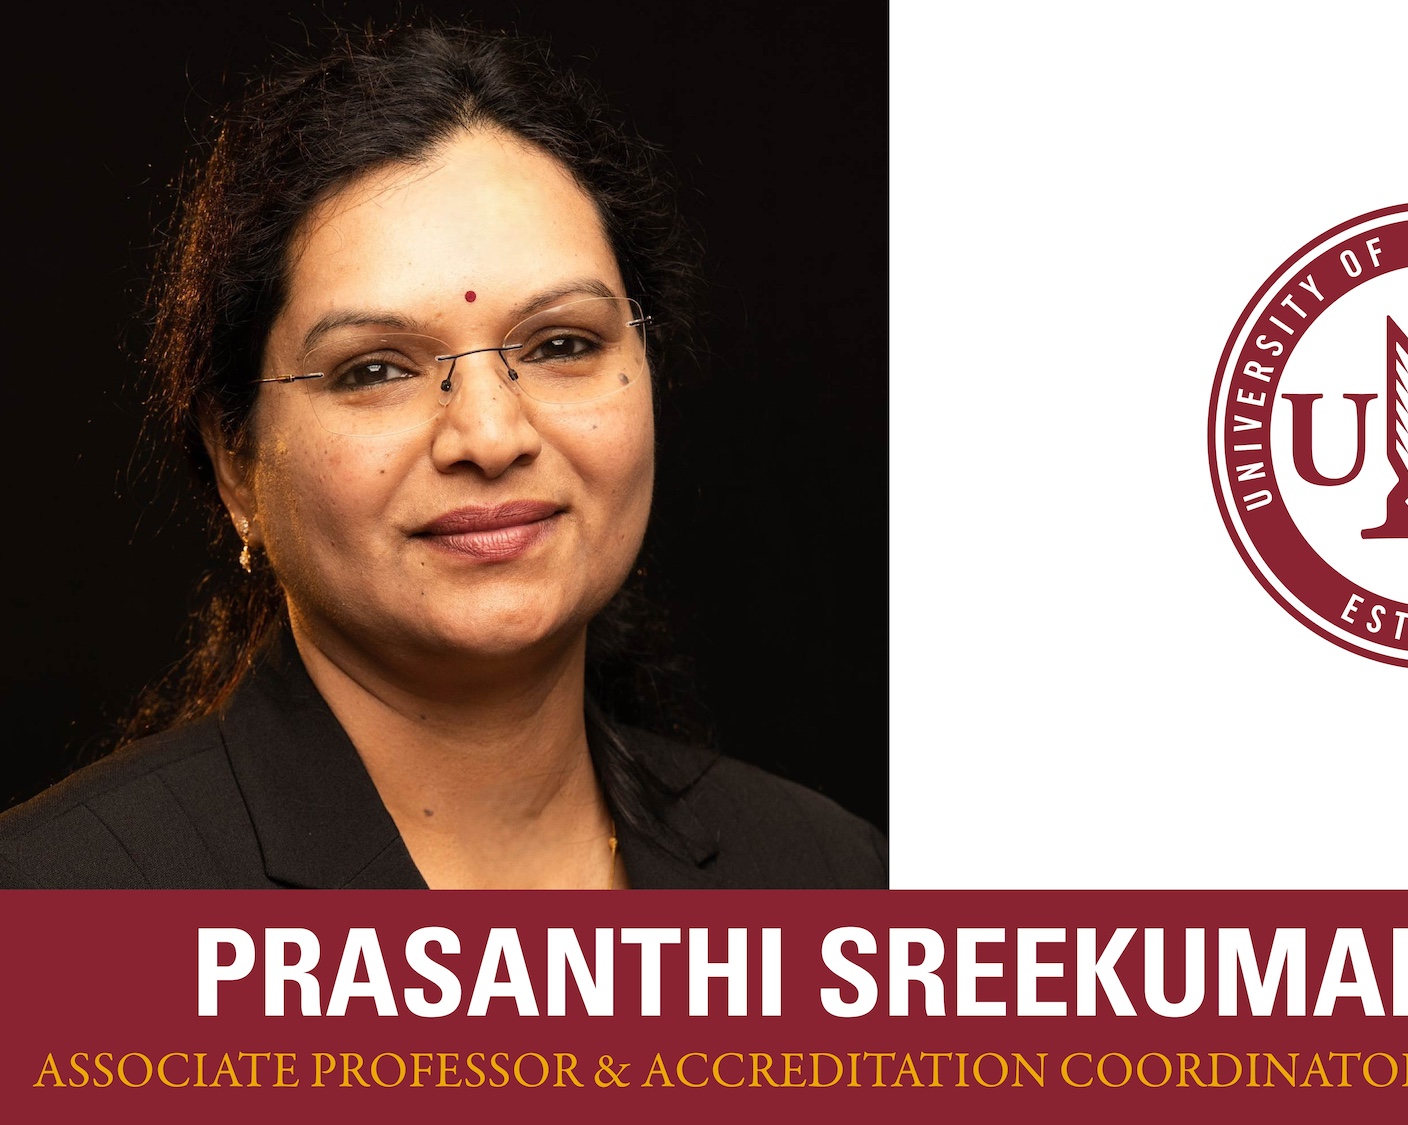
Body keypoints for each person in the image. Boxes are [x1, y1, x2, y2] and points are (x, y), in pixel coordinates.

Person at [0, 22, 885, 889]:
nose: (492, 437)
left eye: (560, 345)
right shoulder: (61, 904)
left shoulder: (827, 876)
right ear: (237, 464)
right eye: (376, 369)